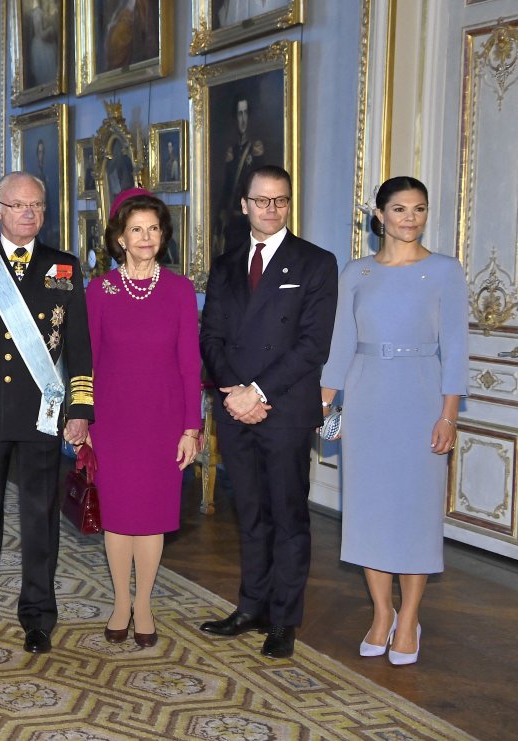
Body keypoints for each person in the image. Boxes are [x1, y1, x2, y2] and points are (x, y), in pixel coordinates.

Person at [0, 171, 93, 654]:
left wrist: (80, 407)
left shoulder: (64, 268)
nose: (29, 213)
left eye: (37, 205)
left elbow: (80, 347)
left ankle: (38, 617)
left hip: (42, 414)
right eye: (18, 205)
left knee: (40, 520)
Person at [319, 177, 468, 666]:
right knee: (370, 510)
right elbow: (340, 343)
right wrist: (323, 405)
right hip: (366, 398)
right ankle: (382, 613)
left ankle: (409, 620)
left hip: (422, 395)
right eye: (400, 209)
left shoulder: (446, 271)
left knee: (416, 512)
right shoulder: (356, 272)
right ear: (378, 215)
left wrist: (448, 414)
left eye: (419, 209)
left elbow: (456, 350)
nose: (411, 219)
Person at [198, 164, 337, 659]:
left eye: (279, 200)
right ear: (244, 205)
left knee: (288, 515)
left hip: (284, 408)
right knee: (250, 513)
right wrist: (235, 391)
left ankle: (284, 618)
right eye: (261, 201)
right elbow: (210, 336)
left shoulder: (316, 263)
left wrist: (256, 391)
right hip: (236, 407)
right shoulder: (226, 264)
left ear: (289, 205)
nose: (270, 209)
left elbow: (312, 346)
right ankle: (251, 606)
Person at [86, 189, 200, 648]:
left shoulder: (179, 290)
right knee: (117, 515)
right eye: (137, 229)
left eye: (153, 228)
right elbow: (87, 362)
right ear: (120, 237)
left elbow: (191, 363)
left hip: (163, 419)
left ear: (163, 235)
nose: (146, 237)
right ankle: (119, 602)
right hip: (112, 419)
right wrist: (84, 422)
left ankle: (146, 604)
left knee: (151, 516)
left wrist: (191, 427)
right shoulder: (100, 291)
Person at [214, 96, 264, 257]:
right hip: (233, 221)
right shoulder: (232, 151)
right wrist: (219, 221)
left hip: (249, 223)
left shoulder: (256, 149)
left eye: (245, 113)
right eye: (239, 114)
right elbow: (227, 188)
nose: (242, 119)